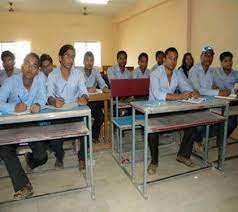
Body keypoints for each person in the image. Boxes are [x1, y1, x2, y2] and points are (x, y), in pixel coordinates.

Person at [0, 53, 48, 200]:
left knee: (42, 156)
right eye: (27, 63)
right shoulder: (10, 81)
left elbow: (43, 96)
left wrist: (38, 104)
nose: (29, 68)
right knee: (5, 147)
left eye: (34, 65)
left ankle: (30, 160)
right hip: (11, 122)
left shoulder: (40, 79)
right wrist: (13, 107)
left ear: (38, 70)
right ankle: (23, 186)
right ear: (21, 65)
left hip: (30, 121)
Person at [148, 47, 199, 175]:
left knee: (192, 122)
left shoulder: (178, 73)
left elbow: (185, 86)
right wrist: (179, 96)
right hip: (155, 109)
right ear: (164, 59)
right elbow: (157, 93)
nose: (173, 61)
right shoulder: (155, 73)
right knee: (152, 130)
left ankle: (183, 155)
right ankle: (154, 161)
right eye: (170, 58)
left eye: (175, 59)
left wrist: (192, 92)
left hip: (171, 108)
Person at [47, 44, 88, 170]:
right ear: (60, 58)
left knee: (86, 131)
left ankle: (82, 158)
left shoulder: (78, 74)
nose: (70, 59)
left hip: (75, 111)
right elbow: (49, 96)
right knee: (54, 141)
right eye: (67, 56)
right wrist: (54, 102)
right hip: (59, 112)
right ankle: (59, 156)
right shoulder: (52, 75)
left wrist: (84, 98)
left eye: (73, 57)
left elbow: (84, 91)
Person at [81, 51, 109, 143]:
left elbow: (101, 82)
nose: (89, 63)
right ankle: (84, 138)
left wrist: (105, 88)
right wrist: (87, 90)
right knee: (86, 118)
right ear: (83, 62)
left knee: (101, 117)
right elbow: (76, 87)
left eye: (91, 61)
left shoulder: (95, 71)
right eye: (87, 60)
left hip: (93, 101)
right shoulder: (78, 72)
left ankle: (93, 136)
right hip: (81, 101)